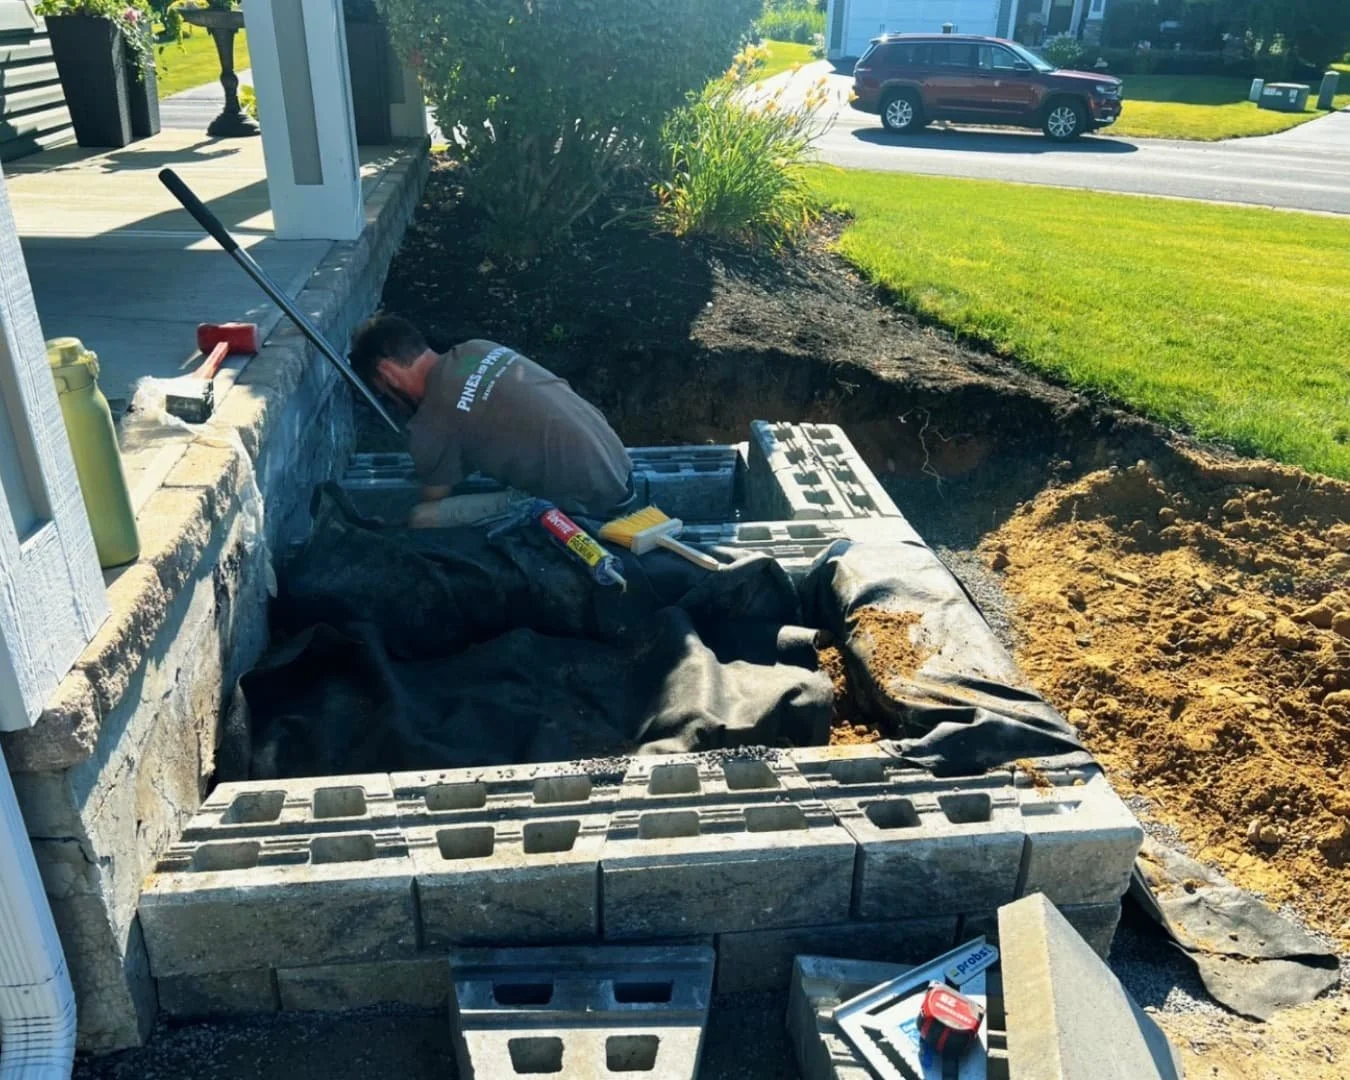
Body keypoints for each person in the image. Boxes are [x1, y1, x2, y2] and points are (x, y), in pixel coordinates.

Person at [348, 315, 635, 527]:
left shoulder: (431, 422)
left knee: (423, 519)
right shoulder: (477, 350)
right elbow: (475, 406)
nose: (392, 403)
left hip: (587, 508)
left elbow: (433, 498)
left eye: (384, 392)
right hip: (619, 466)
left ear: (388, 374)